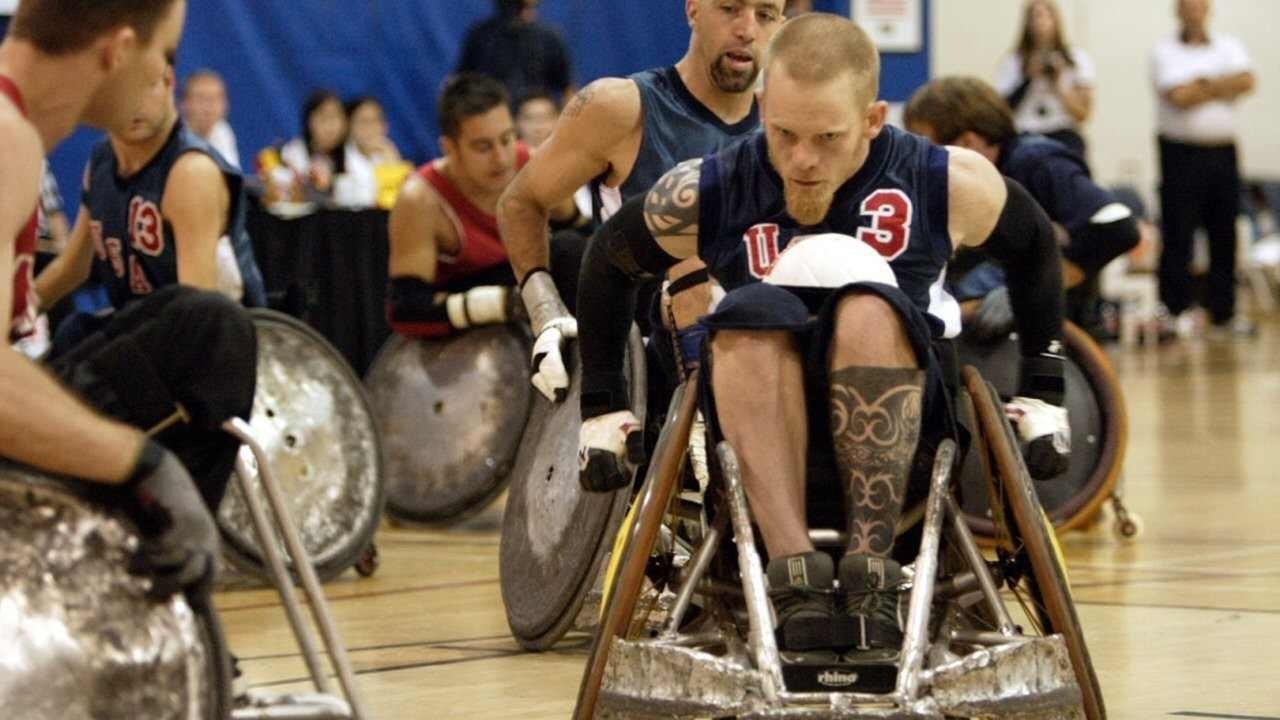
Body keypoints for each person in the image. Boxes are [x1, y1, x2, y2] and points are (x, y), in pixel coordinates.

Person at [574, 13, 1069, 662]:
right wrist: (603, 406)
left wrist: (1043, 390)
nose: (803, 159)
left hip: (910, 436)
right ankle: (794, 576)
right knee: (748, 312)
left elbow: (1035, 246)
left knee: (866, 307)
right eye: (784, 133)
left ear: (873, 119)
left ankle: (872, 573)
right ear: (762, 108)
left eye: (828, 137)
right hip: (756, 435)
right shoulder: (710, 187)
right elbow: (609, 259)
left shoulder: (943, 180)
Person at [2, 0, 247, 606]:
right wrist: (141, 462)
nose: (163, 76)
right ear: (116, 52)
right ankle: (159, 604)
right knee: (215, 331)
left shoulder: (19, 133)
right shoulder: (8, 140)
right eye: (159, 54)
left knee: (198, 321)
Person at [497, 0, 785, 403]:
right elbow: (520, 202)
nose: (747, 29)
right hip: (647, 373)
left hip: (759, 367)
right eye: (730, 8)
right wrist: (546, 314)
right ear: (693, 9)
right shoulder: (618, 107)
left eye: (765, 15)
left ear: (781, 25)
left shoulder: (788, 127)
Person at [36, 57, 267, 350]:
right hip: (143, 329)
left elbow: (198, 316)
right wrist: (14, 314)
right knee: (71, 336)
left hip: (215, 344)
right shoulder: (101, 160)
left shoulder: (190, 171)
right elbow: (72, 268)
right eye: (119, 91)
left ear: (169, 81)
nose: (133, 104)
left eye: (145, 86)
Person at [903, 75, 1139, 340]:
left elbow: (1118, 228)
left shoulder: (1038, 162)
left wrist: (1031, 290)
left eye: (928, 148)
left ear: (967, 142)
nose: (921, 162)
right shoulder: (970, 183)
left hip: (1053, 329)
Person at [387, 73, 584, 339]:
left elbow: (585, 242)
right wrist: (502, 303)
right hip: (461, 336)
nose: (501, 158)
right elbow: (405, 310)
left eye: (507, 139)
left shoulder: (534, 166)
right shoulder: (421, 199)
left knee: (572, 248)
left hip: (527, 298)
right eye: (483, 147)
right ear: (449, 148)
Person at [1152, 0, 1256, 338]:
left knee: (1224, 232)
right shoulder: (1164, 51)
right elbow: (1178, 96)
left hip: (1223, 153)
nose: (1194, 9)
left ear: (1208, 8)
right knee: (1178, 231)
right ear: (1178, 9)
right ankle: (1175, 310)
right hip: (1180, 153)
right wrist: (1222, 85)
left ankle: (1223, 313)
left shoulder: (1229, 45)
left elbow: (1247, 80)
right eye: (1188, 4)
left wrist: (1201, 85)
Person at [993, 0, 1094, 160]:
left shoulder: (1077, 59)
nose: (1040, 22)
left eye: (1046, 16)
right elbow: (1002, 111)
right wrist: (1028, 78)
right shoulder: (1013, 61)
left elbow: (1083, 114)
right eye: (1035, 16)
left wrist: (1059, 83)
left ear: (1056, 19)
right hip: (1025, 135)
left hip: (1063, 133)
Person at [457, 0, 574, 106]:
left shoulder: (548, 38)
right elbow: (461, 86)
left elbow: (567, 89)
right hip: (494, 115)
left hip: (534, 116)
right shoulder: (480, 36)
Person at [341, 95, 404, 209]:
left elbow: (400, 203)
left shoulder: (389, 153)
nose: (370, 128)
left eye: (376, 121)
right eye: (364, 121)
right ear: (348, 125)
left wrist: (392, 161)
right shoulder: (340, 158)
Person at [180, 68, 239, 168]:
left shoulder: (222, 130)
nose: (208, 108)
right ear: (184, 104)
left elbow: (231, 173)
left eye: (215, 99)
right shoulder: (173, 138)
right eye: (201, 99)